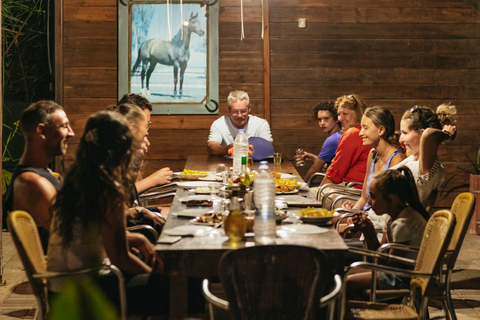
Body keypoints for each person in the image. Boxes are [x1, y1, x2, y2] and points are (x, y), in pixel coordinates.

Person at [47, 111, 169, 316]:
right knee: (180, 285)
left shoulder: (77, 179)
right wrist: (158, 276)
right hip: (89, 292)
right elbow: (120, 257)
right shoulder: (107, 188)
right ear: (122, 148)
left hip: (60, 288)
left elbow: (92, 234)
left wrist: (136, 238)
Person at [346, 167, 429, 300]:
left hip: (406, 278)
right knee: (345, 274)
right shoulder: (391, 216)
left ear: (391, 198)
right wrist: (367, 232)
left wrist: (370, 233)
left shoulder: (403, 223)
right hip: (394, 271)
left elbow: (388, 268)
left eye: (373, 196)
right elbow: (381, 255)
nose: (368, 201)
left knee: (349, 282)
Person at [3, 100, 75, 253]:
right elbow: (75, 234)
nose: (71, 133)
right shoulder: (32, 183)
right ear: (41, 132)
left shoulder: (44, 174)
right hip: (73, 274)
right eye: (64, 126)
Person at [110, 102, 167, 232]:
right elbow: (108, 219)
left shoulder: (120, 159)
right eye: (146, 125)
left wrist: (136, 164)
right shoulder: (108, 164)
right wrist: (140, 212)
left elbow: (129, 198)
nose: (147, 132)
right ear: (132, 127)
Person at [391, 105, 457, 208]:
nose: (400, 140)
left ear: (421, 134)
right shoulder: (412, 159)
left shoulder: (425, 168)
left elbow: (428, 133)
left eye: (405, 133)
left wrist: (446, 134)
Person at [343, 106, 406, 212]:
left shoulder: (397, 159)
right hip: (367, 215)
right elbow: (364, 197)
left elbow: (392, 206)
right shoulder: (372, 154)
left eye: (365, 128)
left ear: (381, 130)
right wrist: (353, 210)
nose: (360, 133)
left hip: (380, 220)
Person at [313, 94, 371, 205]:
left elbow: (335, 171)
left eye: (345, 114)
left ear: (358, 113)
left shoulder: (353, 133)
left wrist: (317, 195)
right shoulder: (364, 131)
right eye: (339, 114)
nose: (340, 119)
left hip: (351, 192)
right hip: (357, 191)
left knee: (304, 199)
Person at [117, 93, 173, 194]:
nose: (147, 131)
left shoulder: (128, 148)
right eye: (146, 124)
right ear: (131, 124)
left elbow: (129, 190)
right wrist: (152, 181)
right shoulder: (112, 149)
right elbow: (119, 195)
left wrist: (137, 162)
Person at [207, 90, 273, 156]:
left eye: (243, 111)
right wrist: (226, 150)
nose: (239, 115)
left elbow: (268, 147)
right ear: (229, 110)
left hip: (254, 164)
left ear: (249, 108)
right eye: (235, 111)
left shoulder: (261, 124)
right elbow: (212, 147)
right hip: (228, 164)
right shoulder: (219, 124)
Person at [295, 101, 342, 183]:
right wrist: (313, 157)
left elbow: (314, 169)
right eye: (319, 120)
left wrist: (303, 185)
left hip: (335, 186)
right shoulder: (339, 135)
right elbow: (332, 166)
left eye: (326, 119)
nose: (322, 123)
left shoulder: (333, 139)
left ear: (336, 119)